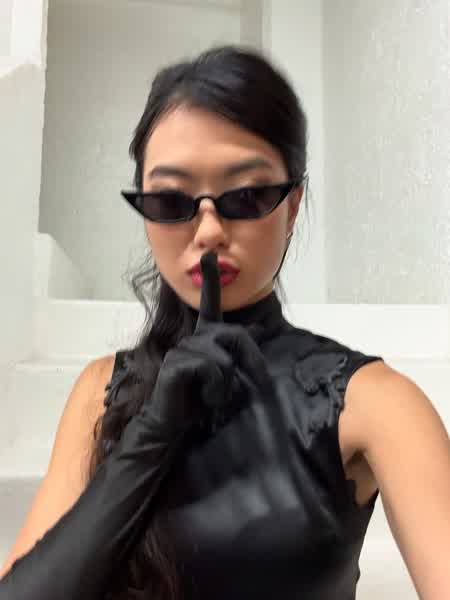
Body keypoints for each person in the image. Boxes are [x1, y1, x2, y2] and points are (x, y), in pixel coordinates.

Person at [2, 44, 449, 600]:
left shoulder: (375, 402)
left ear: (292, 206)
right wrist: (150, 439)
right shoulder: (101, 389)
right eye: (171, 200)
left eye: (248, 195)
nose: (209, 230)